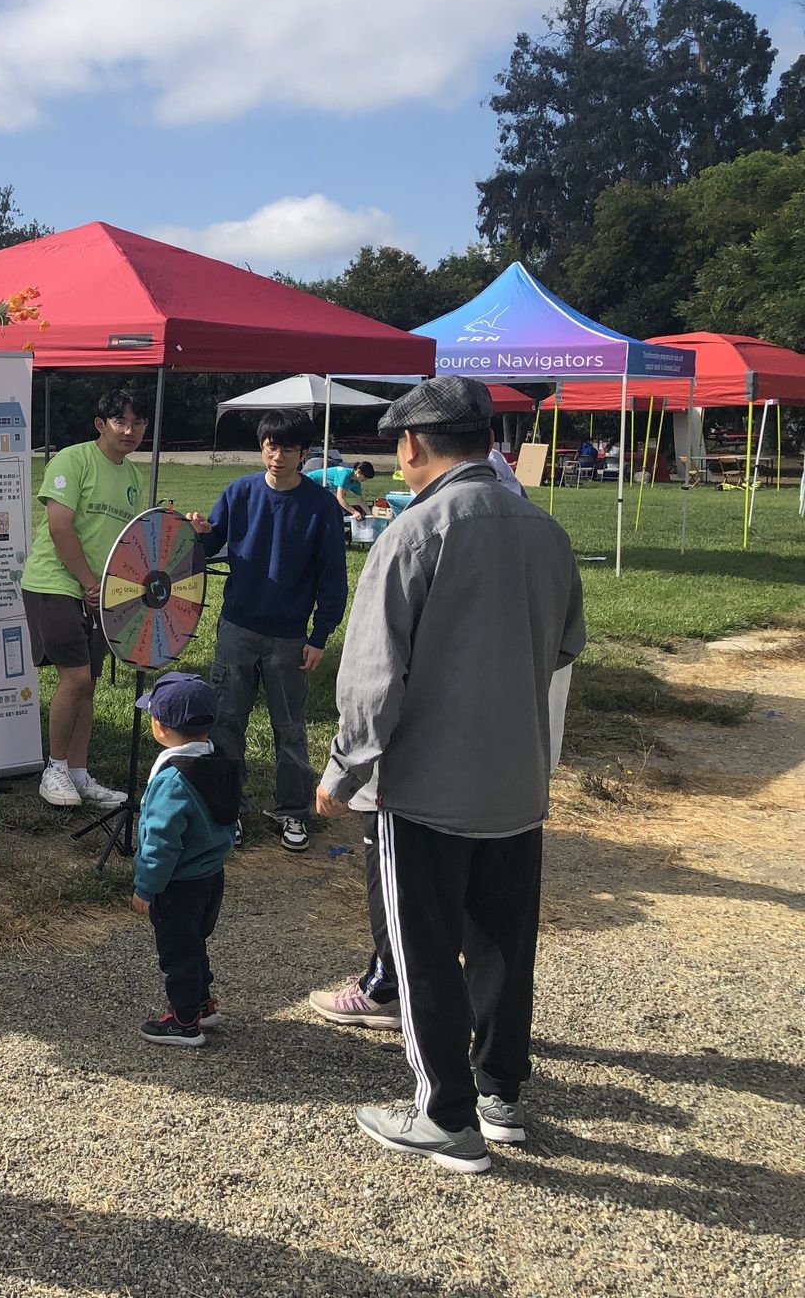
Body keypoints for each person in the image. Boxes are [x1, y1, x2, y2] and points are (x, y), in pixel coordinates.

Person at [314, 376, 584, 1175]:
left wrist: (342, 770)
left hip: (425, 783)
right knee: (503, 942)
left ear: (410, 446)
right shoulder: (545, 530)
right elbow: (566, 643)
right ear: (488, 441)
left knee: (424, 949)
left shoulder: (413, 533)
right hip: (517, 776)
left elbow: (373, 677)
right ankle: (501, 1094)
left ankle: (444, 1116)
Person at [188, 410, 348, 853]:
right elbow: (209, 544)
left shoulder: (320, 506)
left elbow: (333, 578)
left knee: (290, 727)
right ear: (262, 447)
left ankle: (293, 810)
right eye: (270, 447)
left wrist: (320, 636)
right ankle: (229, 810)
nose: (278, 457)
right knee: (226, 722)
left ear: (304, 454)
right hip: (237, 628)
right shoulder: (239, 492)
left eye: (288, 449)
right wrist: (199, 532)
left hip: (290, 636)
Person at [20, 389, 149, 810]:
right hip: (54, 583)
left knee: (89, 684)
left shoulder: (133, 477)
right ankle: (54, 770)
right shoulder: (72, 460)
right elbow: (60, 527)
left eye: (138, 423)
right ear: (101, 424)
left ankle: (78, 773)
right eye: (120, 422)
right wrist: (90, 583)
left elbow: (128, 541)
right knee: (75, 679)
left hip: (98, 592)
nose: (129, 431)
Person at [129, 672, 241, 1048]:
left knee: (177, 953)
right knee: (194, 943)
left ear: (160, 727)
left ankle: (184, 1021)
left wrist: (146, 886)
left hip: (177, 884)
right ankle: (203, 1004)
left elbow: (160, 841)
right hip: (211, 876)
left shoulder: (171, 781)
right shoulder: (218, 763)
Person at [309, 459, 377, 517]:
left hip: (321, 488)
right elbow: (340, 498)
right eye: (365, 477)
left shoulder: (356, 483)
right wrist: (354, 512)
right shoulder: (345, 474)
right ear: (358, 471)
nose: (365, 480)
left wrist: (370, 514)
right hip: (310, 481)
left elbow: (360, 500)